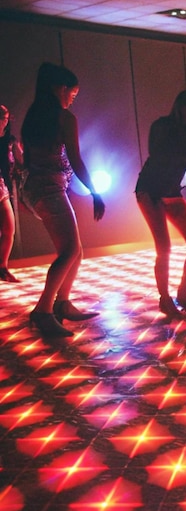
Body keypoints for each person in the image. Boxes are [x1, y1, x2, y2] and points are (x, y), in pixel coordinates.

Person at [21, 62, 105, 337]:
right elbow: (76, 159)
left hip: (36, 189)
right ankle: (43, 311)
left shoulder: (33, 117)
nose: (72, 99)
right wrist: (95, 192)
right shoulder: (64, 118)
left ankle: (63, 303)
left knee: (74, 250)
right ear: (61, 88)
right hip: (50, 189)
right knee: (69, 250)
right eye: (73, 93)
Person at [135, 89, 186, 318]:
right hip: (150, 190)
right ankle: (165, 300)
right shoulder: (162, 127)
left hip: (172, 191)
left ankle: (183, 293)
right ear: (183, 109)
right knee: (163, 248)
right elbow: (158, 159)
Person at [0, 104, 23, 282]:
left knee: (9, 229)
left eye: (6, 119)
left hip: (2, 188)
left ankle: (3, 267)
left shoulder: (9, 140)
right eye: (2, 118)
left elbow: (21, 160)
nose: (4, 122)